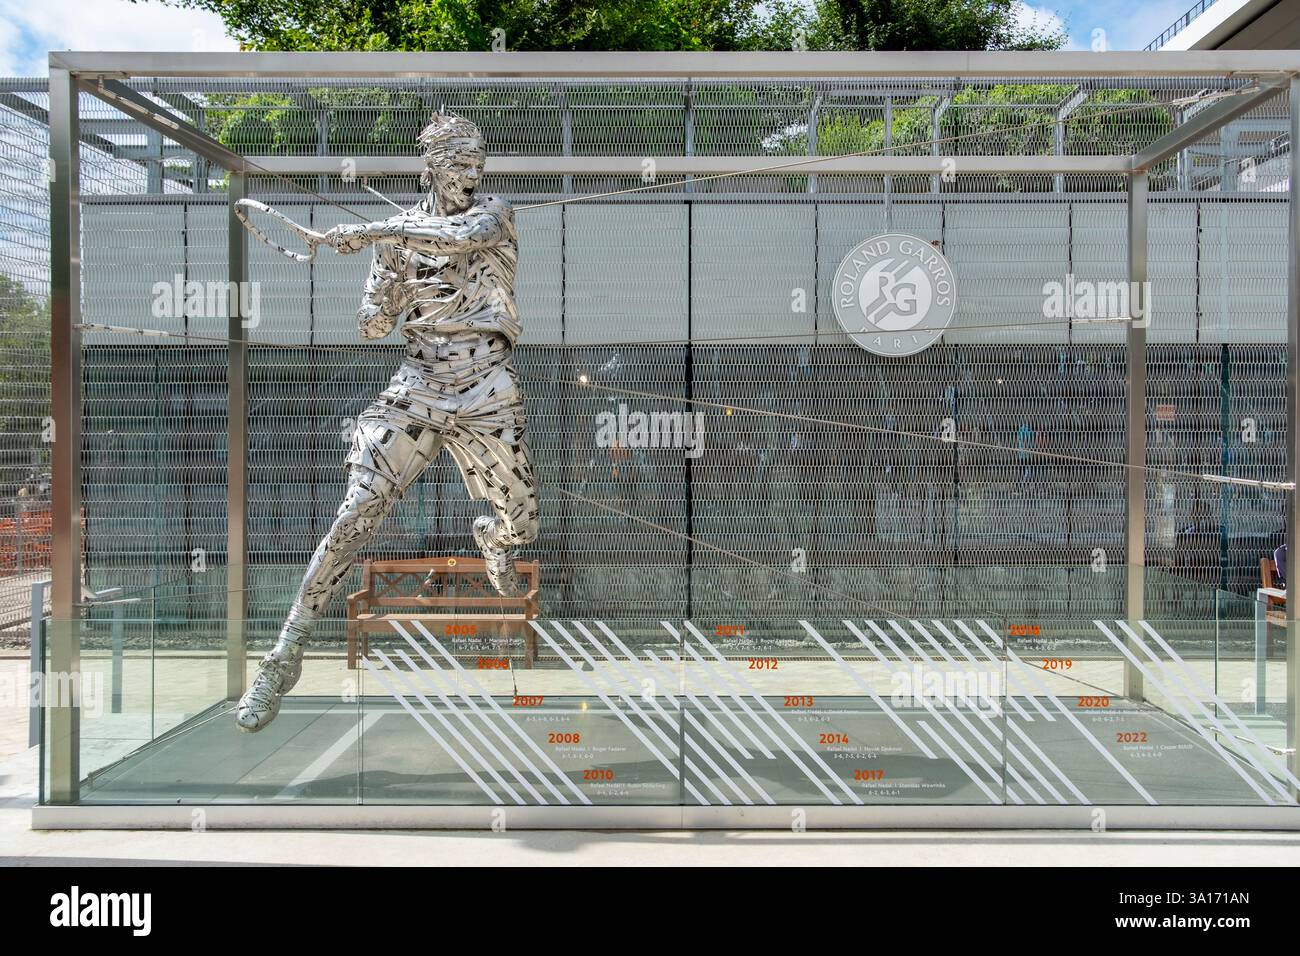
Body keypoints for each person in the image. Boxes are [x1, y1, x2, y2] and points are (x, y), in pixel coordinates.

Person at [234, 113, 539, 732]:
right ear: (430, 164)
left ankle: (495, 540)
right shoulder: (397, 240)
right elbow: (372, 327)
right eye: (458, 161)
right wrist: (388, 282)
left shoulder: (495, 213)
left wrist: (370, 228)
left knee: (524, 522)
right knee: (355, 514)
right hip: (419, 383)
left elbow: (457, 239)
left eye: (477, 161)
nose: (471, 173)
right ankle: (283, 655)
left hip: (486, 384)